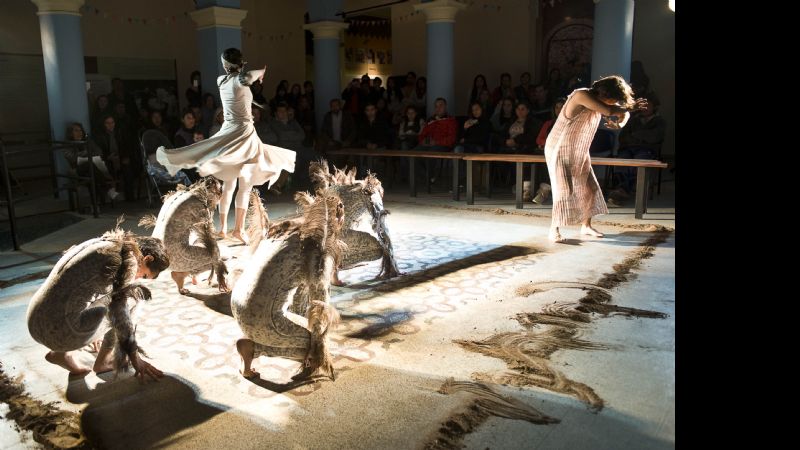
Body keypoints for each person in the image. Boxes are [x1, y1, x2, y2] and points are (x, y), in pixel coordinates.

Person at [157, 48, 295, 245]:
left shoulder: (220, 81)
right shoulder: (241, 79)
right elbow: (249, 76)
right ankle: (237, 230)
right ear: (241, 64)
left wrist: (254, 74)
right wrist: (261, 72)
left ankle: (222, 228)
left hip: (229, 132)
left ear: (225, 65)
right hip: (244, 134)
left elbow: (246, 77)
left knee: (230, 183)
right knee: (244, 184)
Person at [26, 228, 169, 379]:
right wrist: (135, 358)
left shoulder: (108, 243)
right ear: (147, 259)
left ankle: (61, 354)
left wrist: (93, 326)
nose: (138, 278)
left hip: (34, 322)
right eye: (144, 275)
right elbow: (121, 315)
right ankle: (104, 361)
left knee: (101, 297)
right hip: (61, 333)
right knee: (134, 297)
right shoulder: (130, 262)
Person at [544, 75, 647, 243]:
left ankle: (586, 226)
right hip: (559, 146)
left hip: (579, 148)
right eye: (612, 100)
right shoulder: (581, 95)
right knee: (563, 188)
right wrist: (629, 109)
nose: (613, 103)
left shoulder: (604, 101)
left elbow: (620, 113)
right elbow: (610, 111)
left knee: (589, 187)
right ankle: (553, 229)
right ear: (604, 94)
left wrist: (620, 123)